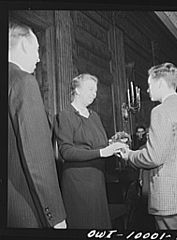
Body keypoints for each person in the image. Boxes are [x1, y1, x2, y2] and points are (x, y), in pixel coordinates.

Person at [120, 62, 177, 230]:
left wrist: (129, 155)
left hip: (169, 199)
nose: (148, 90)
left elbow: (153, 157)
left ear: (160, 83)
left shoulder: (160, 111)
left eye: (149, 85)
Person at [8, 20, 66, 228]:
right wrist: (56, 216)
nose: (39, 58)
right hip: (24, 209)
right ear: (24, 44)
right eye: (37, 49)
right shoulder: (23, 81)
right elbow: (37, 157)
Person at [54, 73, 126, 229]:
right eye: (90, 89)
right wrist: (102, 152)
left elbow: (97, 145)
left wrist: (114, 143)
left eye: (95, 91)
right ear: (77, 90)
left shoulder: (94, 116)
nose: (94, 94)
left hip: (97, 180)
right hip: (78, 183)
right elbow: (66, 151)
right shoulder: (65, 115)